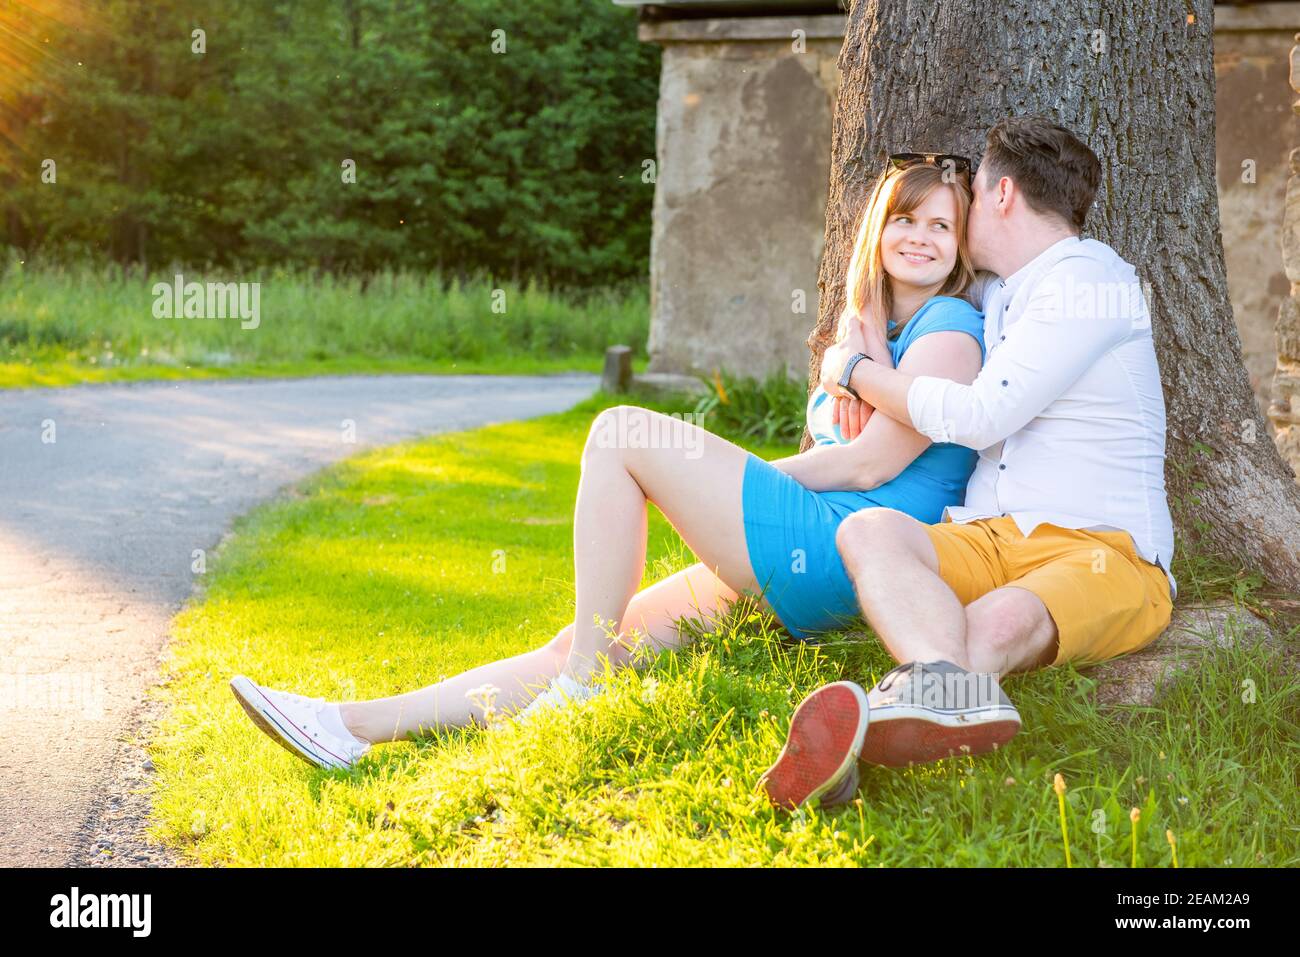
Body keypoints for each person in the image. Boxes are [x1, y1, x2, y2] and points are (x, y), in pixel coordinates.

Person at [229, 157, 989, 775]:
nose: (920, 235)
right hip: (811, 549)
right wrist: (857, 350)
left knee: (621, 430)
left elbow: (866, 466)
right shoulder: (879, 332)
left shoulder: (952, 326)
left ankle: (582, 687)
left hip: (852, 548)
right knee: (588, 637)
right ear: (876, 228)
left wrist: (732, 478)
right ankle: (349, 726)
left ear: (963, 245)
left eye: (941, 225)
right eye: (904, 216)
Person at [759, 115, 1176, 810]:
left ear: (1003, 194)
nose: (967, 211)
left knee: (999, 621)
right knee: (872, 531)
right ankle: (909, 708)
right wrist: (856, 315)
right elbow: (898, 283)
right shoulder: (1004, 288)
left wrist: (854, 370)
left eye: (974, 196)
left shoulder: (1089, 284)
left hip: (1105, 548)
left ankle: (858, 725)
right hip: (990, 534)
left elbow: (980, 413)